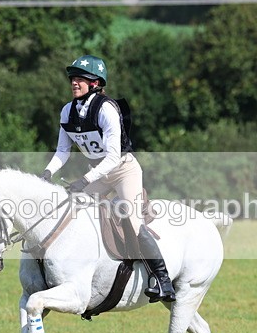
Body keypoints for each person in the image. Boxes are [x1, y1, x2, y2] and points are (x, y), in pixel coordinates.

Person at [39, 55, 176, 303]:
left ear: (95, 83)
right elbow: (62, 151)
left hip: (123, 170)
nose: (74, 82)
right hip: (98, 173)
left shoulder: (106, 109)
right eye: (73, 78)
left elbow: (113, 157)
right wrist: (48, 172)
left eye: (81, 78)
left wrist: (84, 180)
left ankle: (162, 279)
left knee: (133, 221)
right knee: (70, 210)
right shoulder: (67, 111)